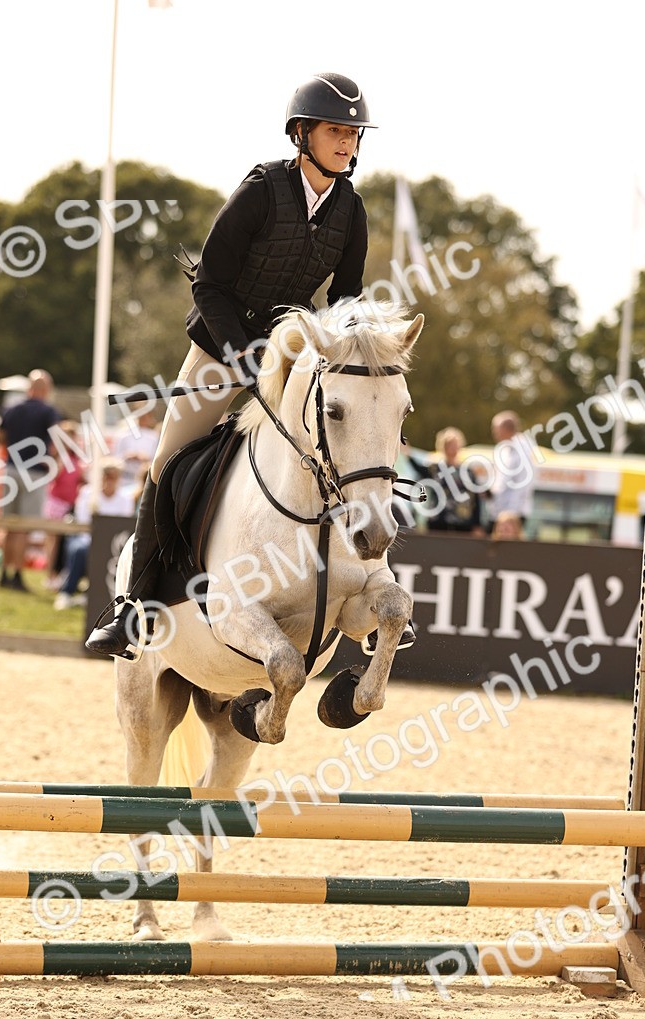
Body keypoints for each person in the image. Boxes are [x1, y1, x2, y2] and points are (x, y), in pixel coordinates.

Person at [87, 72, 417, 659]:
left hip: (295, 357)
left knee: (346, 454)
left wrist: (344, 351)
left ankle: (374, 585)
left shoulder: (352, 210)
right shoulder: (262, 190)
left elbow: (345, 299)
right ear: (302, 133)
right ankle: (133, 606)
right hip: (222, 348)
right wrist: (242, 352)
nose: (346, 142)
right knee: (165, 462)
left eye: (352, 133)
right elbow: (209, 285)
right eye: (335, 130)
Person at [0, 369, 60, 591]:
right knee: (24, 527)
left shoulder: (12, 409)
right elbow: (56, 442)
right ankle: (17, 574)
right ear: (46, 389)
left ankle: (3, 573)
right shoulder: (49, 412)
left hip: (11, 470)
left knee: (9, 526)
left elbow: (0, 438)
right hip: (34, 473)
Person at [54, 459, 135, 610]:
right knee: (80, 550)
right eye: (106, 475)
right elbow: (83, 520)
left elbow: (124, 524)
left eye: (113, 476)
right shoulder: (88, 493)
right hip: (86, 538)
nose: (109, 480)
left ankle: (95, 595)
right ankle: (66, 592)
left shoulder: (126, 498)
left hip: (112, 543)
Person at [42, 420, 85, 589]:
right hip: (56, 504)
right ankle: (50, 576)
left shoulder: (75, 459)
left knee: (63, 543)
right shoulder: (60, 458)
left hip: (70, 505)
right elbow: (53, 477)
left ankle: (61, 575)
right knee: (52, 541)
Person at [424, 427, 485, 536]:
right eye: (449, 445)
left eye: (455, 445)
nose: (452, 449)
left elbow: (476, 498)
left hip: (463, 522)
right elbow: (419, 470)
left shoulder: (468, 471)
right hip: (438, 521)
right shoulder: (435, 469)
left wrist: (477, 523)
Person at [485, 410, 536, 534]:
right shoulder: (503, 449)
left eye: (495, 429)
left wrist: (510, 514)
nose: (494, 432)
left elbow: (523, 483)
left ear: (505, 429)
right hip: (499, 511)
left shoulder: (523, 449)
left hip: (513, 513)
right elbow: (501, 482)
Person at [111, 409, 161, 490]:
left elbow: (156, 459)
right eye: (141, 416)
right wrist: (127, 456)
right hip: (124, 478)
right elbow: (114, 458)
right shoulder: (123, 435)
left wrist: (144, 458)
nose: (143, 419)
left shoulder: (154, 437)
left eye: (146, 417)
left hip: (143, 480)